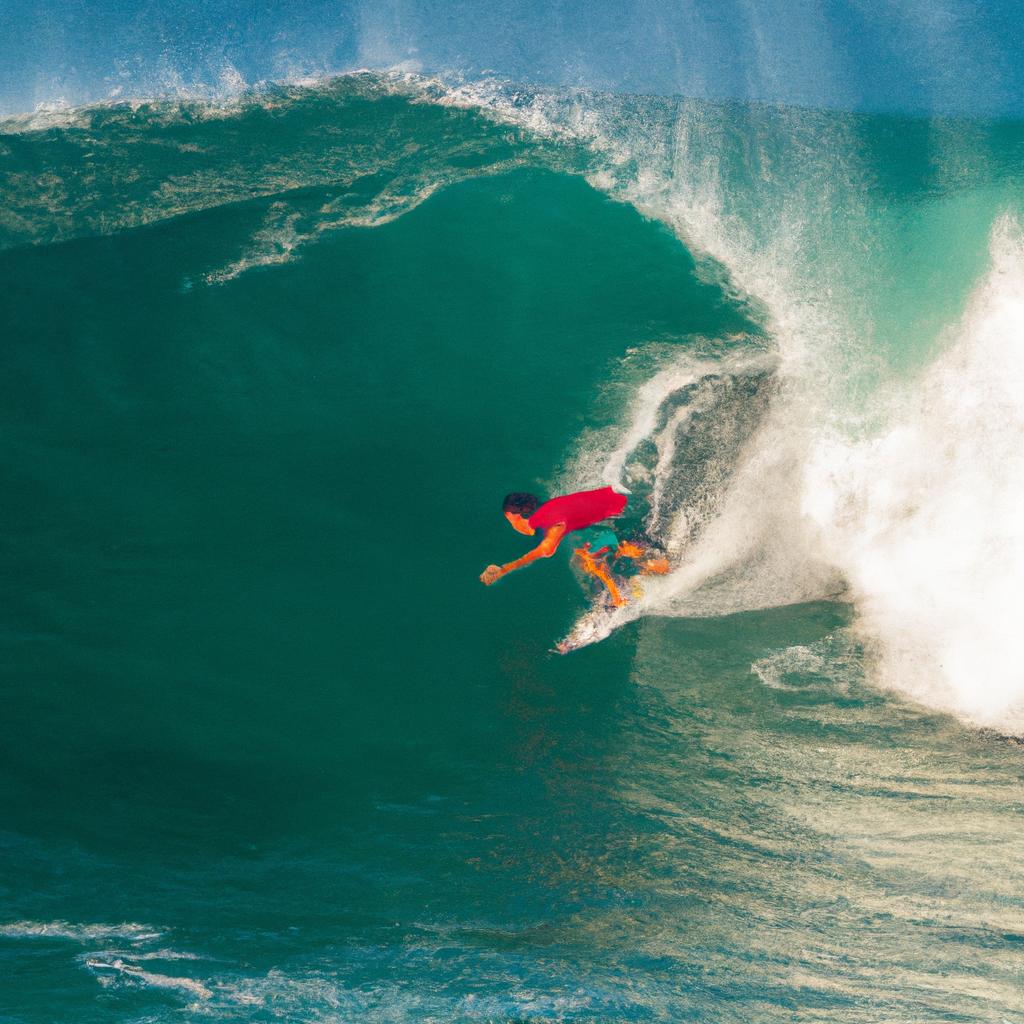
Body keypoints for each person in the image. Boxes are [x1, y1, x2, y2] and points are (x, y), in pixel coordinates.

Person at [480, 486, 669, 602]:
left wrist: (504, 569)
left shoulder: (553, 525)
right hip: (626, 499)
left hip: (630, 510)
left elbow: (544, 551)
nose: (512, 525)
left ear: (522, 515)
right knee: (592, 555)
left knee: (589, 559)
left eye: (512, 520)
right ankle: (645, 565)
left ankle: (667, 568)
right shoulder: (547, 508)